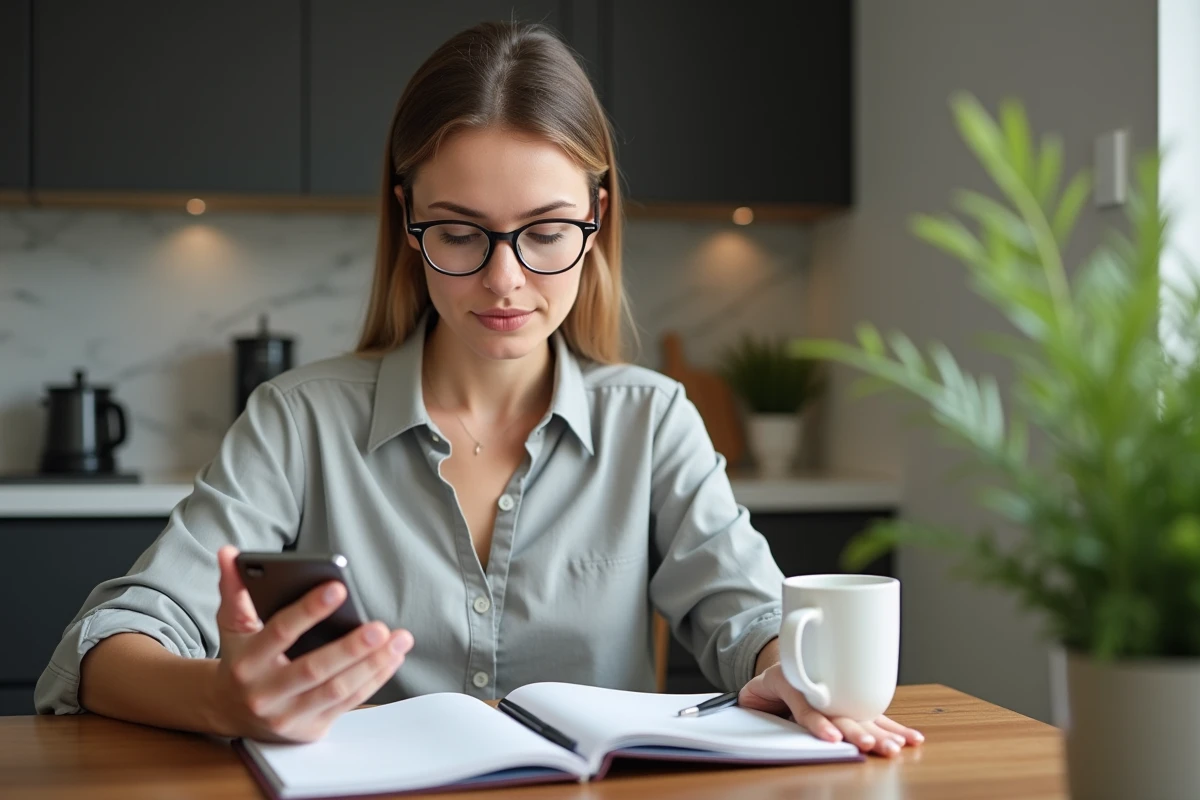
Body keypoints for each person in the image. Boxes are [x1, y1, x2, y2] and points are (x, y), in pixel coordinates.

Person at [35, 20, 922, 757]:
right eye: (461, 234)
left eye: (544, 232)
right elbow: (112, 641)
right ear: (407, 222)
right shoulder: (297, 420)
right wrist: (223, 699)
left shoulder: (650, 420)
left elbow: (748, 615)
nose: (505, 281)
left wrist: (783, 665)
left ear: (596, 216)